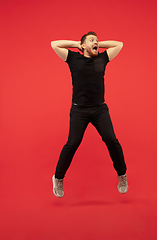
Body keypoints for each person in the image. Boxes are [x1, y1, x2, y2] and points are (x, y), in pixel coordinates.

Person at [51, 31, 128, 198]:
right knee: (73, 143)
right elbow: (54, 44)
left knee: (111, 139)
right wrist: (77, 44)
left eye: (97, 41)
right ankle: (58, 178)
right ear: (83, 45)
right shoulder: (73, 59)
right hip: (79, 110)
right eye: (92, 40)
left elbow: (119, 44)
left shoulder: (102, 58)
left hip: (100, 109)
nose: (96, 42)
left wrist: (96, 45)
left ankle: (122, 175)